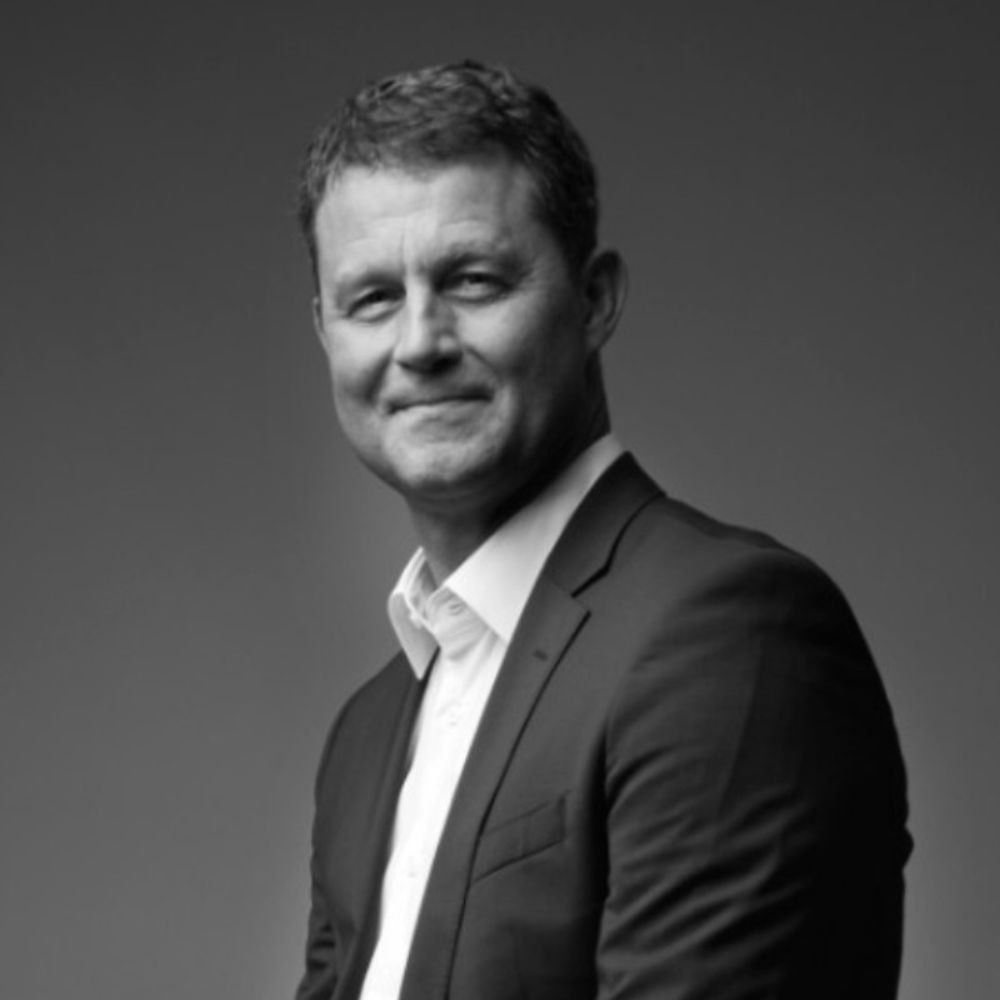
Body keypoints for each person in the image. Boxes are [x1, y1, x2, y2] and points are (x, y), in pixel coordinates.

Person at [292, 60, 911, 1000]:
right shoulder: (366, 734)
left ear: (595, 302)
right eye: (373, 298)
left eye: (473, 279)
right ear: (327, 334)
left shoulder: (728, 634)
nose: (419, 341)